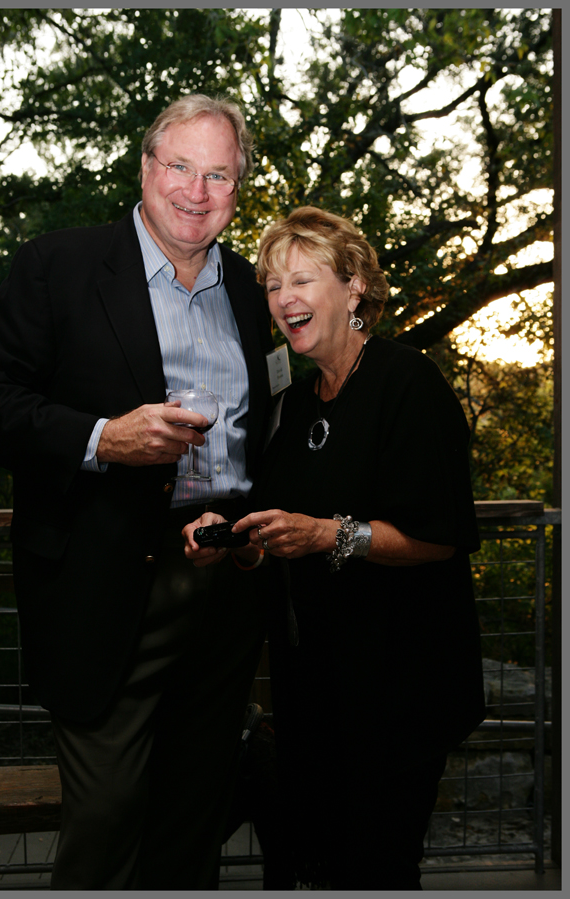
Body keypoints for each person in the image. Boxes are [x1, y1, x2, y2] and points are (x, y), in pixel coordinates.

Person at [0, 94, 276, 890]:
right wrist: (100, 439)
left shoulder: (251, 290)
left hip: (220, 583)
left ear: (236, 188)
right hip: (103, 583)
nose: (195, 191)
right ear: (145, 169)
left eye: (217, 174)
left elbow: (259, 439)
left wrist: (242, 522)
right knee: (108, 815)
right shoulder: (57, 264)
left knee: (193, 815)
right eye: (179, 166)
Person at [183, 206, 486, 890]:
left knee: (376, 865)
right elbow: (275, 528)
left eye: (302, 279)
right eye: (271, 285)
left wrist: (330, 534)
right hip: (316, 683)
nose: (283, 298)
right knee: (317, 859)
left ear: (353, 287)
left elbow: (438, 538)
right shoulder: (293, 404)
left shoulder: (406, 382)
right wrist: (236, 542)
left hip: (400, 683)